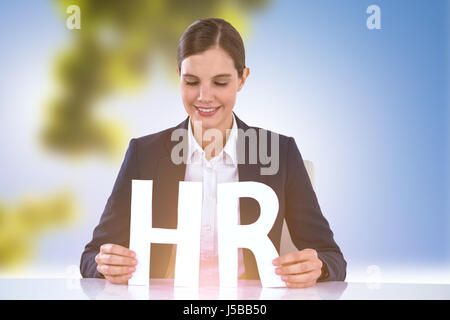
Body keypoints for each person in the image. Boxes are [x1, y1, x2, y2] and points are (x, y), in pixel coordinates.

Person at [80, 18, 346, 288]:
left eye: (220, 82)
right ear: (178, 77)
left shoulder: (279, 153)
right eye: (192, 82)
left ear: (242, 79)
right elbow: (91, 257)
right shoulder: (143, 154)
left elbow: (332, 258)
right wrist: (106, 264)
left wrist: (318, 268)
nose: (204, 97)